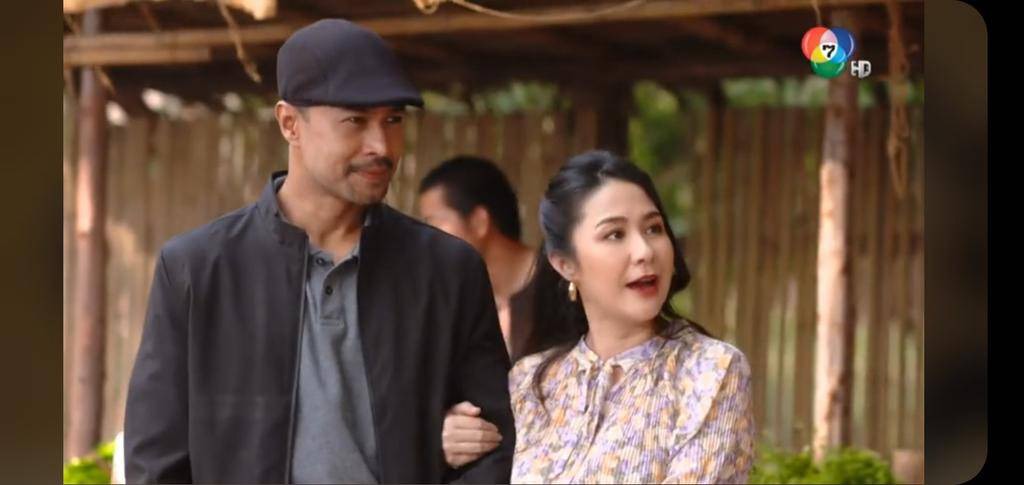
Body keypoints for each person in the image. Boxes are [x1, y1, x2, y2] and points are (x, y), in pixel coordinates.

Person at [124, 19, 514, 484]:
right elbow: (156, 460)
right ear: (290, 123)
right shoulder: (197, 268)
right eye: (355, 121)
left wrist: (423, 439)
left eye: (393, 120)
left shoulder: (448, 270)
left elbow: (494, 447)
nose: (381, 145)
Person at [441, 151, 755, 483]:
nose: (645, 251)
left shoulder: (711, 371)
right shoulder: (530, 382)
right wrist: (446, 443)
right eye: (615, 234)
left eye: (654, 228)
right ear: (565, 264)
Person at [418, 156, 537, 362]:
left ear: (479, 222)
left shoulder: (560, 282)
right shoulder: (457, 301)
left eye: (433, 223)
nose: (425, 237)